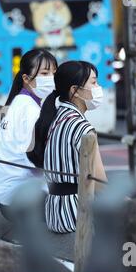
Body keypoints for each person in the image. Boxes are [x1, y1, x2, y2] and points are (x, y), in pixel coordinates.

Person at [27, 61, 107, 233]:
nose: (98, 87)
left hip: (55, 211)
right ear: (75, 91)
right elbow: (99, 182)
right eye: (93, 83)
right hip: (76, 214)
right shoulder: (83, 128)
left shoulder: (57, 118)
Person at [0, 49, 58, 221]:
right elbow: (36, 160)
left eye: (53, 73)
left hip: (8, 199)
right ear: (26, 79)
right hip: (25, 202)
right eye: (44, 73)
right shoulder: (29, 110)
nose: (51, 78)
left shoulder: (18, 103)